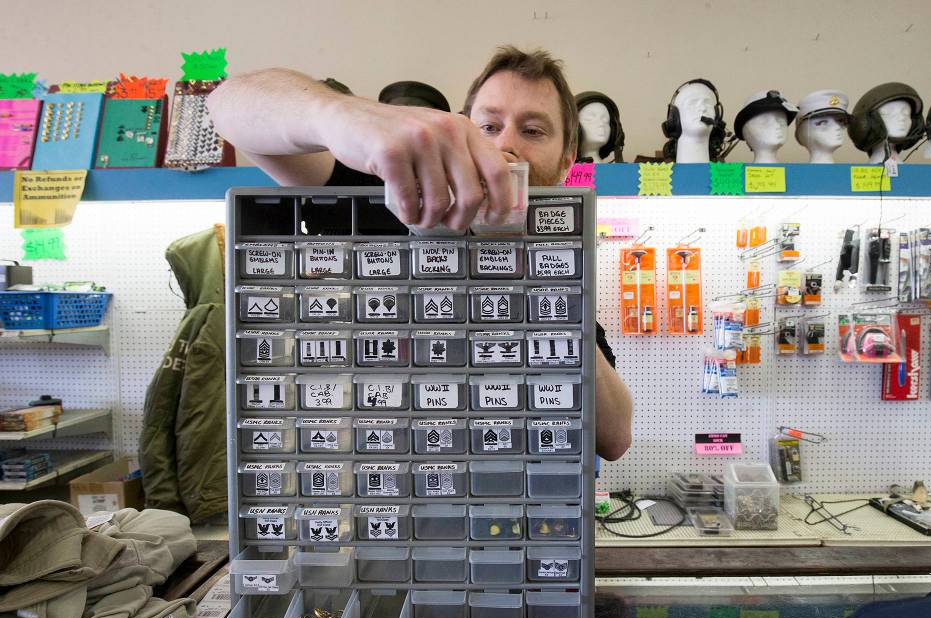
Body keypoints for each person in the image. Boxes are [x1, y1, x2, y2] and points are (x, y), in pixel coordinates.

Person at [209, 46, 633, 461]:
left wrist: (547, 289)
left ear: (566, 162)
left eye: (533, 130)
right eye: (488, 127)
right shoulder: (382, 199)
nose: (506, 146)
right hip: (374, 500)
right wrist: (336, 115)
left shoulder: (561, 286)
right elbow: (227, 106)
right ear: (460, 132)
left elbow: (613, 438)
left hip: (510, 516)